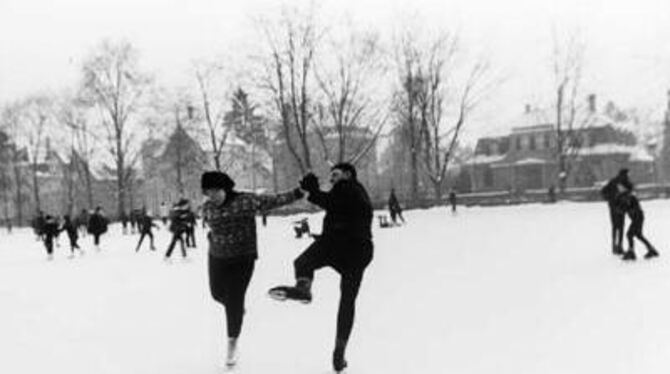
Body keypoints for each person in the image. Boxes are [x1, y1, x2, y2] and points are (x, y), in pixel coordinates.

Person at [269, 163, 374, 373]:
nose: (332, 179)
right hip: (355, 250)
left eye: (335, 174)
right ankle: (339, 352)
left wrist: (314, 192)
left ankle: (303, 289)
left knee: (303, 263)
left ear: (348, 174)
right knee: (347, 301)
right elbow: (334, 204)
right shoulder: (350, 192)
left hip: (344, 245)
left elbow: (332, 202)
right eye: (331, 176)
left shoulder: (350, 187)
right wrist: (314, 193)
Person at [201, 170, 303, 369]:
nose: (211, 197)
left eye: (215, 192)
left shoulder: (244, 201)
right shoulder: (206, 207)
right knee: (217, 294)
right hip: (217, 257)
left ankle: (232, 342)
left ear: (225, 188)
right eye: (208, 193)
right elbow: (210, 226)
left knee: (233, 299)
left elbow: (274, 200)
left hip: (242, 258)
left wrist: (298, 192)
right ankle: (237, 310)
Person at [617, 188, 659, 261]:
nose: (622, 198)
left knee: (629, 234)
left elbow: (634, 208)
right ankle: (651, 250)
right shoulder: (625, 200)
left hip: (638, 218)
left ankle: (631, 252)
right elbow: (622, 209)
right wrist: (620, 209)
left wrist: (629, 209)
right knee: (638, 235)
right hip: (636, 218)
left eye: (623, 196)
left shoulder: (632, 198)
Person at [600, 168, 634, 255]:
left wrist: (609, 200)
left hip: (613, 207)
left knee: (615, 227)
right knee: (621, 227)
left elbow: (603, 191)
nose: (628, 176)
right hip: (620, 207)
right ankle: (619, 246)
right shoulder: (624, 182)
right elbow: (630, 189)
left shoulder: (613, 181)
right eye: (627, 174)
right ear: (624, 174)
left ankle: (614, 246)